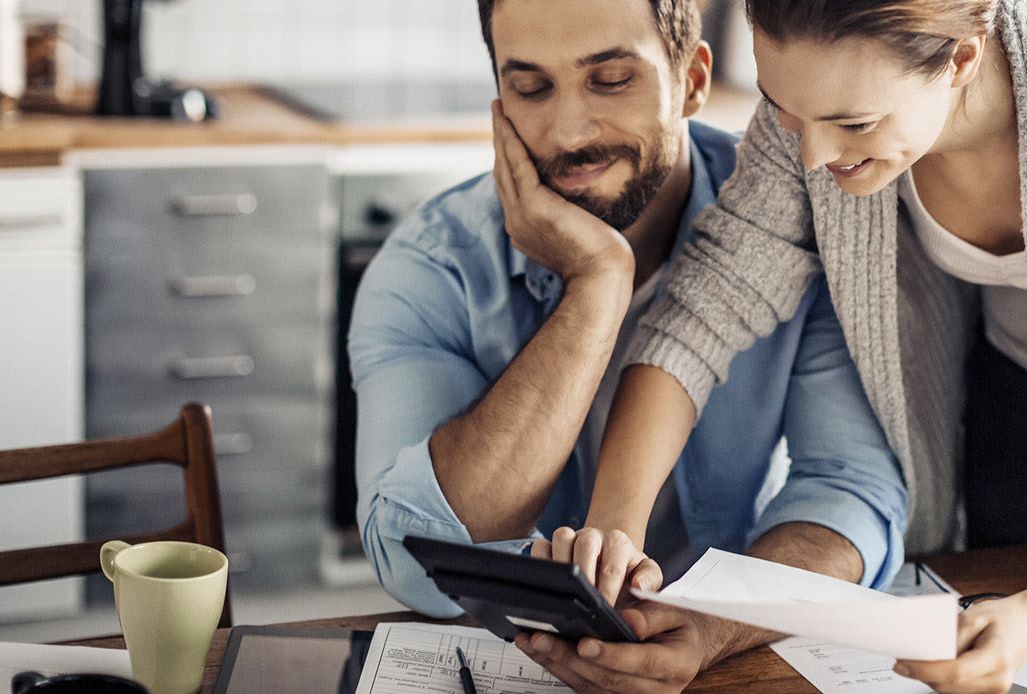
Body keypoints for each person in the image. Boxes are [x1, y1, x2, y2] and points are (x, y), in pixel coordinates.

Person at [544, 1, 1027, 692]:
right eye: (786, 111)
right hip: (1015, 394)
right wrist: (615, 530)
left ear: (960, 58)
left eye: (854, 125)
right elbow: (701, 313)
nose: (815, 156)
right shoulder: (823, 98)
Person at [347, 0, 908, 688]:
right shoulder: (433, 266)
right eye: (530, 87)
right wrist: (597, 286)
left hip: (727, 659)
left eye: (611, 80)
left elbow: (849, 494)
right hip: (513, 667)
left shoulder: (793, 226)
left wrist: (714, 626)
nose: (569, 130)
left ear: (693, 81)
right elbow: (415, 563)